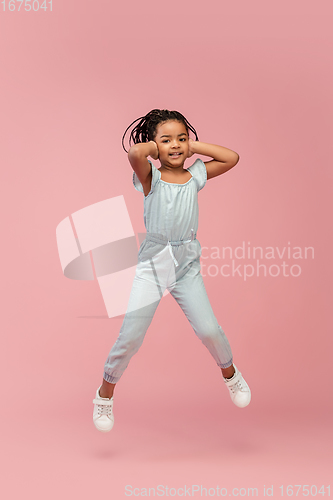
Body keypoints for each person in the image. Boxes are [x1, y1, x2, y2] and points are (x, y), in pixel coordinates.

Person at [93, 109, 251, 433]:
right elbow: (136, 152)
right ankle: (104, 394)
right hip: (152, 266)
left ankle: (231, 374)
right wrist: (155, 147)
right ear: (154, 146)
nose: (176, 145)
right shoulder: (150, 177)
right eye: (167, 141)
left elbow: (231, 158)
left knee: (209, 330)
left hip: (186, 266)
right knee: (131, 337)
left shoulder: (195, 175)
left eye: (181, 138)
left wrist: (193, 147)